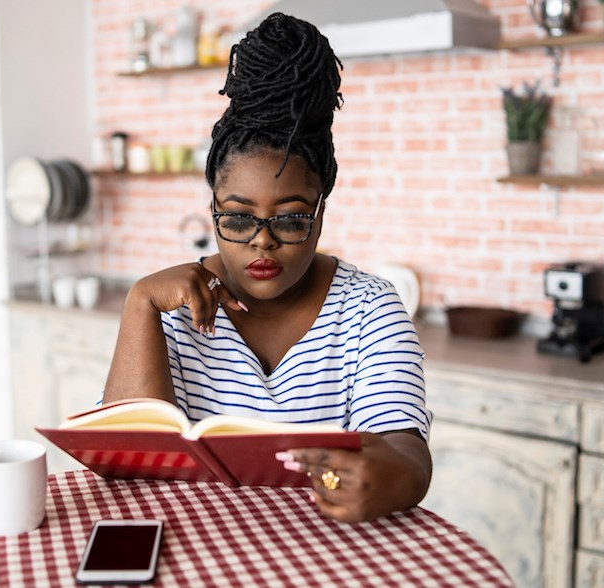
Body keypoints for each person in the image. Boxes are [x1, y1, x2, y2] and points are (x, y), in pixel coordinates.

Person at [103, 12, 432, 523]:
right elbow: (124, 468)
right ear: (212, 209)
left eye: (291, 218)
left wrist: (388, 477)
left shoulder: (370, 309)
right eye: (237, 218)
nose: (263, 241)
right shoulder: (168, 307)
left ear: (321, 212)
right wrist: (139, 301)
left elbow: (408, 455)